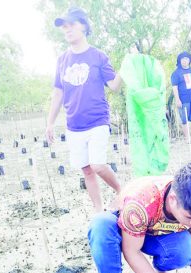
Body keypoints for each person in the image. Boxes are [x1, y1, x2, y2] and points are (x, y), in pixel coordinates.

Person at [46, 7, 122, 213]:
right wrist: (50, 122)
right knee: (87, 170)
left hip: (97, 120)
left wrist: (124, 69)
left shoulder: (98, 56)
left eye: (71, 25)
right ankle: (98, 210)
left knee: (97, 165)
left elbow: (114, 86)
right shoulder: (62, 60)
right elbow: (58, 92)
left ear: (84, 26)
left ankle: (121, 192)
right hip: (74, 125)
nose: (67, 29)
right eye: (64, 26)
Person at [171, 51, 191, 142]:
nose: (185, 61)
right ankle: (187, 138)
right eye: (183, 59)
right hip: (183, 100)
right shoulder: (176, 73)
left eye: (186, 59)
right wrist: (177, 99)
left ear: (189, 60)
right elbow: (175, 88)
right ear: (180, 61)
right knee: (184, 119)